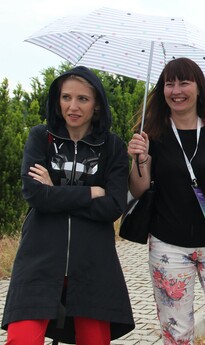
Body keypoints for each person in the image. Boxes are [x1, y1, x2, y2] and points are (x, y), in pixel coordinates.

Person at [1, 66, 135, 344]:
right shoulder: (41, 137)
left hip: (93, 260)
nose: (72, 106)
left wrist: (56, 191)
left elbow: (112, 207)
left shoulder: (112, 147)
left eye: (83, 99)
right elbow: (36, 195)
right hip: (40, 256)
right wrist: (90, 192)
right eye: (66, 97)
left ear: (97, 104)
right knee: (22, 338)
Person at [127, 57, 205, 344]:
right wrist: (140, 160)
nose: (176, 90)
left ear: (199, 88)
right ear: (162, 89)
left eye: (184, 82)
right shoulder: (152, 132)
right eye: (169, 83)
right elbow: (138, 188)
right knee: (176, 333)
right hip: (168, 245)